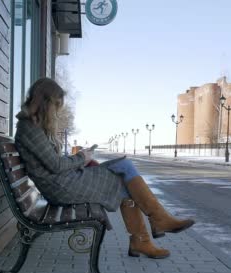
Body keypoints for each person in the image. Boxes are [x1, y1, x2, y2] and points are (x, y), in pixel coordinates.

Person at [14, 78, 195, 258]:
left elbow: (53, 162)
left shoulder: (33, 126)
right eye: (56, 106)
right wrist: (81, 157)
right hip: (60, 187)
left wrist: (82, 160)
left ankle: (147, 234)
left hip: (62, 182)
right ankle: (151, 229)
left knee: (125, 177)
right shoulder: (29, 128)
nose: (56, 113)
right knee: (124, 170)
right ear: (46, 103)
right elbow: (55, 165)